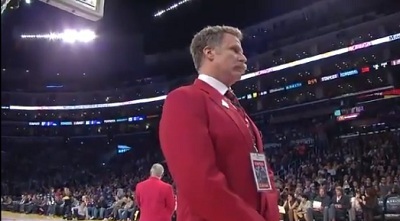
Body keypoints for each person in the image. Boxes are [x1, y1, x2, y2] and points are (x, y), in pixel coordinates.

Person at [159, 25, 280, 221]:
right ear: (209, 53)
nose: (244, 58)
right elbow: (199, 182)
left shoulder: (235, 107)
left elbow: (263, 173)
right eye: (235, 50)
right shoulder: (184, 99)